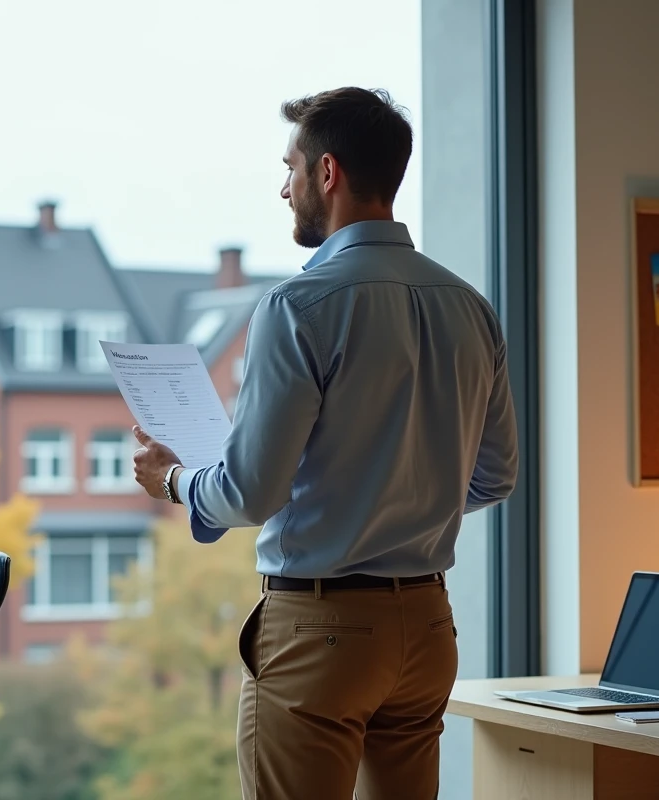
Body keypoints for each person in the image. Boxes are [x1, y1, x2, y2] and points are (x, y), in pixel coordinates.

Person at [131, 86, 518, 799]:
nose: (284, 189)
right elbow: (493, 479)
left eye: (291, 168)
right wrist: (400, 499)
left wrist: (174, 479)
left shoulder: (297, 307)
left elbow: (250, 493)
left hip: (323, 634)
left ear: (328, 173)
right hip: (427, 629)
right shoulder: (473, 308)